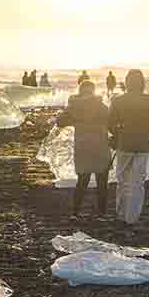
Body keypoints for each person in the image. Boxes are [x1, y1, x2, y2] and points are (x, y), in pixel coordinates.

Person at [107, 69, 149, 224]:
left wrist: (118, 133)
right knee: (138, 183)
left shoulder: (118, 101)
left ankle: (121, 214)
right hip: (143, 145)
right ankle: (132, 217)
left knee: (123, 181)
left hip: (124, 144)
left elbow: (110, 123)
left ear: (127, 82)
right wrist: (147, 135)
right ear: (142, 82)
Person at [55, 80, 111, 216]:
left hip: (82, 147)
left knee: (82, 181)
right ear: (93, 91)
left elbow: (60, 122)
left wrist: (72, 116)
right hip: (100, 146)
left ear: (80, 91)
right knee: (102, 181)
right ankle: (101, 213)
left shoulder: (74, 106)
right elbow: (111, 123)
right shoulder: (101, 106)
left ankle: (75, 212)